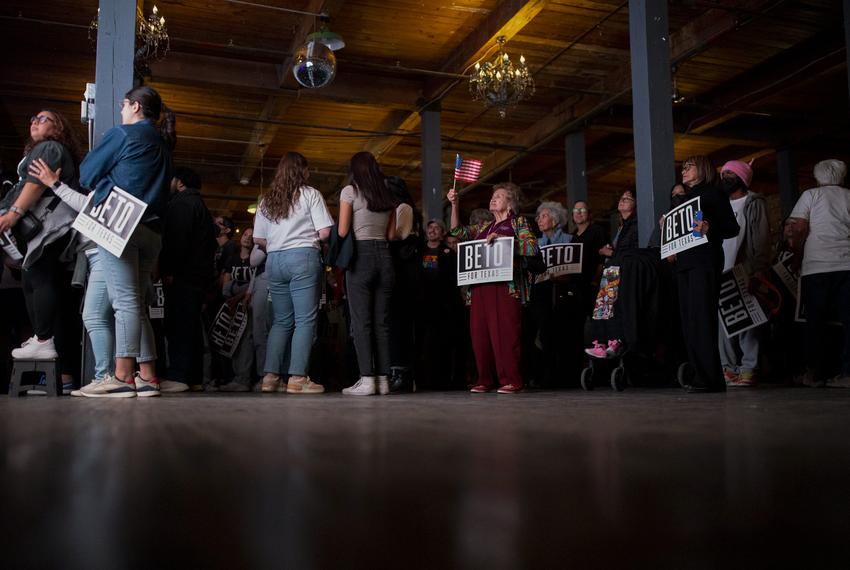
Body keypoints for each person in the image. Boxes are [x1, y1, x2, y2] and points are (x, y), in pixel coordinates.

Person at [75, 85, 175, 398]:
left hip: (120, 224)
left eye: (123, 105)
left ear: (134, 106)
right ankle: (146, 377)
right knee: (137, 304)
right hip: (152, 232)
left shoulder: (123, 134)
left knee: (126, 303)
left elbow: (87, 173)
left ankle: (121, 377)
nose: (120, 110)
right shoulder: (163, 143)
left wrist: (105, 180)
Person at [0, 110, 81, 382]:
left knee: (38, 277)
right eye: (32, 118)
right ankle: (43, 339)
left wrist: (13, 214)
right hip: (47, 229)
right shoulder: (45, 148)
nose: (34, 120)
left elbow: (34, 185)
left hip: (50, 227)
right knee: (34, 279)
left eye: (43, 118)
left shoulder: (50, 148)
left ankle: (43, 339)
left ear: (58, 127)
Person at [253, 151, 333, 394]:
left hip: (274, 260)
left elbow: (258, 238)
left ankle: (270, 377)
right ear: (302, 171)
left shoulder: (267, 200)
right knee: (305, 320)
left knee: (281, 321)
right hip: (303, 258)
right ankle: (298, 378)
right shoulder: (311, 194)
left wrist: (279, 245)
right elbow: (325, 232)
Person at [449, 182, 539, 394]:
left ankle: (511, 380)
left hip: (505, 287)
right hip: (479, 288)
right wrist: (455, 204)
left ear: (510, 203)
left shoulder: (518, 222)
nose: (493, 198)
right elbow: (457, 231)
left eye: (499, 196)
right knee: (480, 334)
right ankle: (484, 379)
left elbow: (531, 246)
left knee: (506, 333)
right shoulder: (483, 227)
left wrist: (504, 241)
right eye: (493, 195)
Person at [666, 155, 739, 393]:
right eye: (683, 167)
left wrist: (710, 229)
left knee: (702, 320)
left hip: (705, 262)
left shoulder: (713, 194)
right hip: (685, 264)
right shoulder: (686, 198)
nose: (684, 170)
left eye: (689, 166)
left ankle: (711, 379)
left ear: (704, 169)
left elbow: (731, 228)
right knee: (689, 321)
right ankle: (700, 375)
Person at [339, 151, 399, 396]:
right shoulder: (388, 194)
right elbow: (391, 236)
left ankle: (366, 380)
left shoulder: (350, 191)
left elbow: (343, 231)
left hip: (361, 257)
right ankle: (384, 380)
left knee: (361, 321)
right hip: (385, 258)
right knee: (381, 323)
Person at [787, 159, 850, 388]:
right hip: (847, 265)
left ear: (817, 176)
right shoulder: (848, 196)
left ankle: (814, 374)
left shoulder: (811, 195)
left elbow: (798, 228)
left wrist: (796, 257)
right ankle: (847, 373)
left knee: (815, 321)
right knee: (848, 321)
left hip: (817, 266)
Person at [159, 167, 217, 393]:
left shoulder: (181, 204)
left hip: (183, 275)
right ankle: (193, 378)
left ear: (180, 182)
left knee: (178, 327)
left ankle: (178, 375)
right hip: (198, 277)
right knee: (191, 328)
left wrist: (169, 270)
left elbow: (177, 242)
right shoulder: (200, 206)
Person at [717, 160, 771, 387]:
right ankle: (728, 369)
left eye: (730, 173)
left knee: (748, 321)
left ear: (742, 178)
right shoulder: (719, 204)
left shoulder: (753, 202)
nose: (725, 176)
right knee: (723, 323)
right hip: (720, 270)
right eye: (723, 172)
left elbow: (761, 238)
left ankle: (749, 368)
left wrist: (757, 270)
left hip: (743, 269)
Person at [585, 189, 638, 359]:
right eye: (621, 198)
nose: (622, 201)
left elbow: (631, 252)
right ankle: (600, 343)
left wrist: (610, 254)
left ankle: (614, 342)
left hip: (623, 272)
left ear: (636, 204)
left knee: (613, 308)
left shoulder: (635, 224)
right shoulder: (621, 226)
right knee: (601, 308)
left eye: (627, 198)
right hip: (612, 271)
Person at [530, 201, 572, 386]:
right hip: (540, 293)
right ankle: (542, 375)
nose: (539, 219)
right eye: (538, 217)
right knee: (541, 334)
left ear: (555, 220)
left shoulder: (569, 240)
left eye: (544, 216)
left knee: (561, 334)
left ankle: (561, 375)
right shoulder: (536, 243)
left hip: (563, 293)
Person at [416, 219, 457, 389]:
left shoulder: (448, 253)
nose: (433, 230)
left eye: (437, 228)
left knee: (442, 344)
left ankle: (443, 381)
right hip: (421, 305)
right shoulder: (418, 250)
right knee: (423, 345)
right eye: (430, 227)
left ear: (442, 233)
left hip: (443, 306)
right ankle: (422, 381)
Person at [218, 228, 258, 392]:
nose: (247, 238)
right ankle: (234, 376)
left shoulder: (254, 261)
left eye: (251, 236)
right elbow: (225, 285)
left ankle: (245, 378)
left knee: (248, 340)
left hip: (248, 305)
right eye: (245, 234)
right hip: (233, 306)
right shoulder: (232, 259)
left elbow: (254, 284)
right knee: (233, 340)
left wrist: (240, 292)